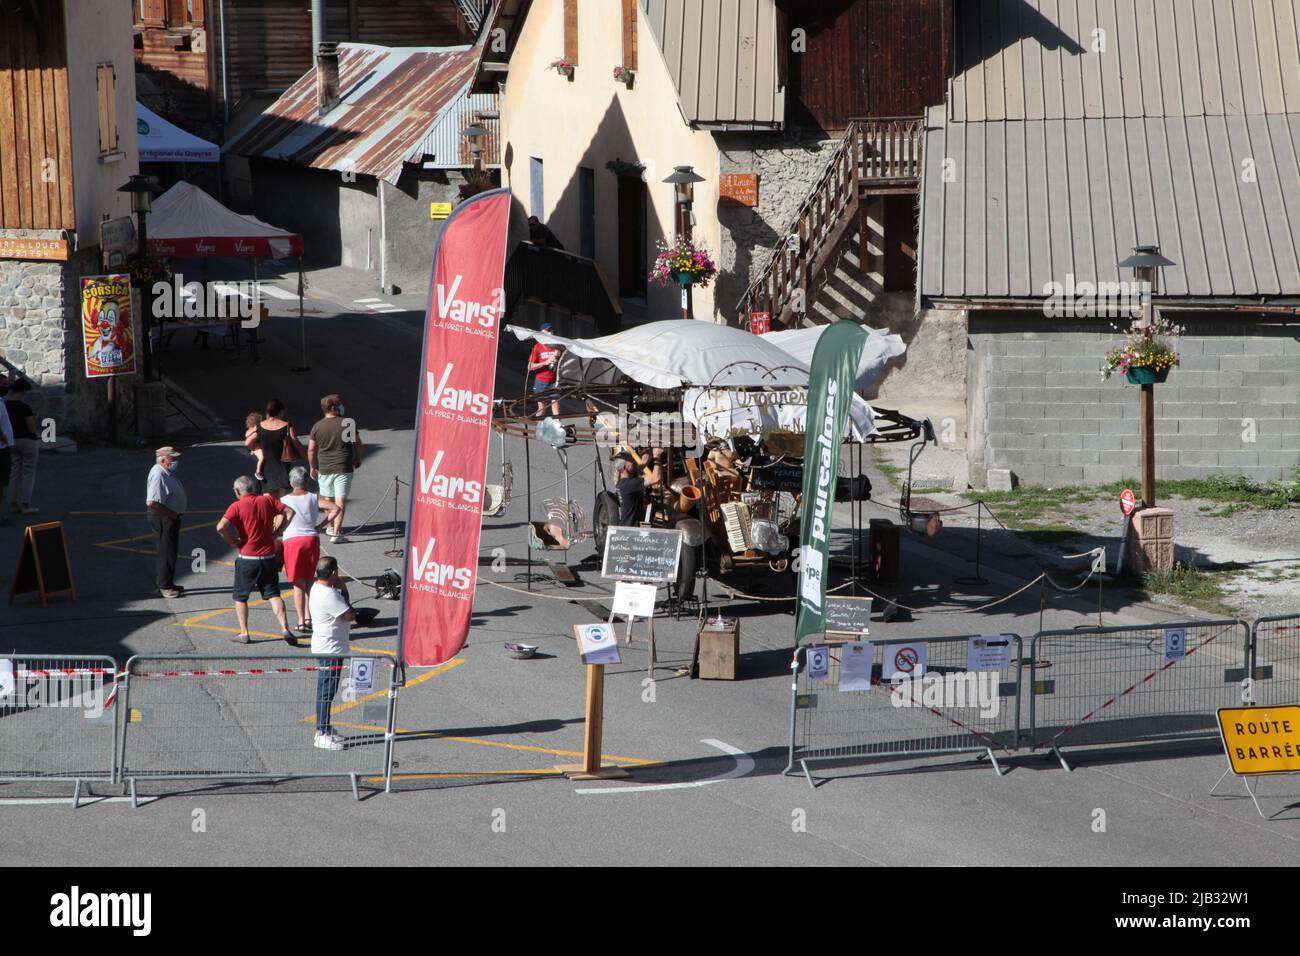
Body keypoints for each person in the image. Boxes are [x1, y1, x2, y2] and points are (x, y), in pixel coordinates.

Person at [216, 475, 296, 646]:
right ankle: (285, 628)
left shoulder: (236, 506)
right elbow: (290, 512)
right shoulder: (267, 501)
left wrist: (232, 542)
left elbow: (220, 527)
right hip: (268, 557)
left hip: (247, 557)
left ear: (238, 491)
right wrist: (278, 531)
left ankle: (244, 633)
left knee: (241, 596)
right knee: (274, 594)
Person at [281, 465, 340, 632]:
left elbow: (277, 521)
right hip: (311, 540)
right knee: (310, 581)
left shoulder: (284, 500)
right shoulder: (314, 497)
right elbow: (335, 508)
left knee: (298, 584)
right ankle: (309, 618)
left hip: (293, 541)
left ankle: (300, 621)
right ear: (306, 481)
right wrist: (320, 526)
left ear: (291, 482)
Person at [308, 555, 355, 751]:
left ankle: (325, 727)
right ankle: (322, 733)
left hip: (326, 646)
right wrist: (343, 586)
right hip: (331, 649)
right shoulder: (331, 595)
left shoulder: (317, 588)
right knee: (326, 692)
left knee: (327, 690)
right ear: (334, 573)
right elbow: (350, 614)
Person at [308, 394, 363, 544]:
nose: (341, 406)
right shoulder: (347, 423)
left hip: (324, 468)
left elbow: (312, 450)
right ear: (333, 408)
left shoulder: (317, 427)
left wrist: (313, 466)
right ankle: (336, 532)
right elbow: (357, 443)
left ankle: (332, 527)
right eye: (339, 404)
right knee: (340, 501)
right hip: (343, 467)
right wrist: (358, 458)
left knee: (328, 500)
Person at [145, 446, 187, 598]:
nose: (176, 461)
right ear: (163, 460)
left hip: (169, 516)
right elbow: (152, 502)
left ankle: (169, 582)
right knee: (166, 551)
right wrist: (170, 514)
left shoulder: (165, 472)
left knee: (171, 551)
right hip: (163, 517)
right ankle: (164, 586)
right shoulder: (159, 474)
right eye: (173, 459)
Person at [254, 400, 305, 497]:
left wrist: (255, 449)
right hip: (282, 467)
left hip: (266, 468)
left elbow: (249, 441)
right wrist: (306, 457)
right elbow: (296, 442)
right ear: (281, 412)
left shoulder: (260, 426)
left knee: (267, 500)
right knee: (278, 500)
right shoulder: (287, 426)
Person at [5, 378, 39, 515]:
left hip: (12, 440)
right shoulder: (25, 407)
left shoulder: (4, 406)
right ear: (23, 392)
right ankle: (25, 504)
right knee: (28, 473)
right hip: (27, 440)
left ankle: (12, 503)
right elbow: (31, 428)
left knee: (14, 472)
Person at [615, 446, 664, 526]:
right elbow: (656, 478)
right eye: (631, 460)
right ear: (624, 467)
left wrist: (648, 450)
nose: (634, 461)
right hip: (632, 529)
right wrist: (656, 456)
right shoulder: (629, 484)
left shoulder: (622, 483)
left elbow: (639, 467)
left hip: (627, 527)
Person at [527, 324, 562, 418]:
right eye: (548, 330)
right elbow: (530, 367)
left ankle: (558, 428)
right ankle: (537, 427)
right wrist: (545, 362)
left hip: (555, 381)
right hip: (541, 382)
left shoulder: (557, 345)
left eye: (551, 330)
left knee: (556, 406)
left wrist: (559, 354)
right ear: (542, 333)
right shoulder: (537, 347)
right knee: (542, 409)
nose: (550, 332)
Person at [0, 374, 12, 526]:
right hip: (1, 447)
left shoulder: (2, 401)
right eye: (3, 383)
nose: (6, 386)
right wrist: (2, 436)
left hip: (4, 447)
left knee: (3, 484)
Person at [243, 412, 266, 482]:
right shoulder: (253, 430)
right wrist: (254, 430)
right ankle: (258, 472)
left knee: (262, 457)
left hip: (256, 445)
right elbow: (246, 436)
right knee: (262, 458)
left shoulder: (256, 429)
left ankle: (258, 471)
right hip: (255, 446)